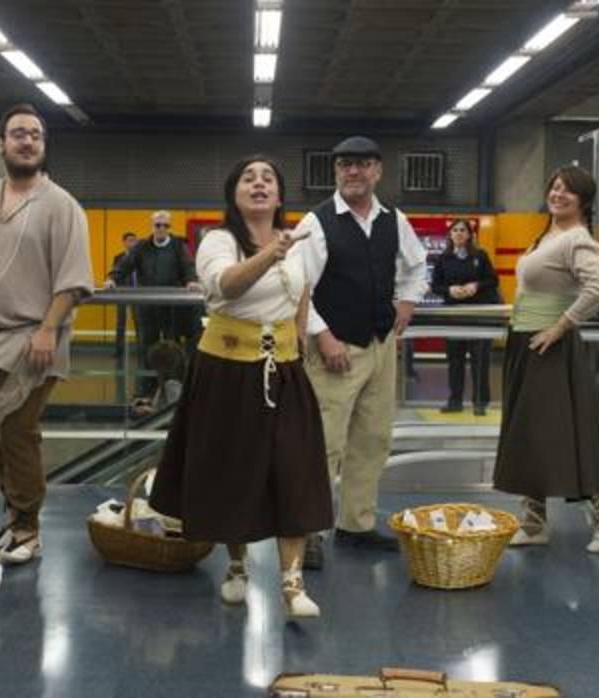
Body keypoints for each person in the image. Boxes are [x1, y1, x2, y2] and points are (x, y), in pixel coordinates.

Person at [148, 156, 332, 618]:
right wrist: (272, 252)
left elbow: (302, 296)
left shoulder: (301, 243)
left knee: (295, 469)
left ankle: (292, 582)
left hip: (284, 368)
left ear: (279, 194)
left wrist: (299, 345)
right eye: (248, 178)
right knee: (234, 471)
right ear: (233, 193)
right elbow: (226, 286)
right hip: (228, 370)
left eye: (268, 177)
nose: (259, 183)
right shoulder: (219, 240)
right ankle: (236, 565)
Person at [0, 103, 94, 565]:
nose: (27, 140)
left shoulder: (61, 205)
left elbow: (73, 279)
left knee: (18, 430)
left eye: (35, 134)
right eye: (18, 133)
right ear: (2, 145)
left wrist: (48, 328)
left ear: (44, 146)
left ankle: (29, 526)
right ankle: (12, 514)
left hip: (33, 338)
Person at [493, 165, 599, 554]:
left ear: (583, 201)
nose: (558, 194)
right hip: (527, 340)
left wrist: (560, 326)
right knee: (529, 430)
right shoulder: (548, 234)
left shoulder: (576, 238)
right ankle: (534, 519)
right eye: (555, 187)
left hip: (549, 346)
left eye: (568, 191)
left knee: (559, 431)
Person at [297, 136, 428, 569]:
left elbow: (416, 265)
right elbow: (300, 287)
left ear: (377, 171)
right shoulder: (317, 222)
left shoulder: (394, 219)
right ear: (336, 173)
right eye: (344, 165)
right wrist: (323, 336)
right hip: (335, 346)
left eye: (361, 165)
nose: (352, 172)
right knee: (324, 443)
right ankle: (309, 532)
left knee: (373, 439)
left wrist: (408, 301)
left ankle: (355, 524)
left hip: (380, 345)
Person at [105, 210, 204, 410]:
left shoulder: (178, 246)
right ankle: (145, 393)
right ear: (152, 226)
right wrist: (112, 278)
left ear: (170, 227)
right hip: (148, 307)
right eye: (158, 225)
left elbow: (187, 266)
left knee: (172, 348)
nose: (161, 229)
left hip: (171, 308)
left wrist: (192, 280)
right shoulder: (142, 246)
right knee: (146, 349)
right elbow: (126, 264)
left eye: (165, 226)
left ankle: (173, 391)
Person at [428, 218, 499, 415]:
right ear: (450, 235)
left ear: (469, 235)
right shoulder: (443, 259)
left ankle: (480, 402)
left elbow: (493, 280)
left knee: (480, 359)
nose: (458, 233)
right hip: (454, 316)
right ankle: (455, 401)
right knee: (455, 359)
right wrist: (449, 290)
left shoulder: (480, 256)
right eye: (455, 230)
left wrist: (475, 286)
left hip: (478, 316)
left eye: (463, 230)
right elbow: (435, 286)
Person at [110, 231, 138, 358]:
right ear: (124, 243)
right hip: (122, 293)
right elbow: (115, 274)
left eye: (134, 240)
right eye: (129, 240)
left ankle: (141, 349)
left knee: (139, 322)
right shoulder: (118, 257)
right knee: (120, 323)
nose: (132, 243)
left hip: (138, 293)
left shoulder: (140, 256)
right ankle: (118, 351)